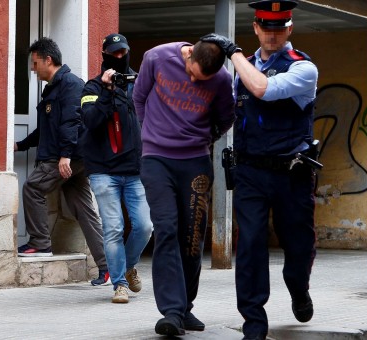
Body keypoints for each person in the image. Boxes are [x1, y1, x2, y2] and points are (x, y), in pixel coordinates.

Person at [201, 1, 320, 339]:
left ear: (289, 29)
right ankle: (253, 322)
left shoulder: (303, 68)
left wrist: (232, 52)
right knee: (251, 243)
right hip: (251, 171)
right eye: (266, 27)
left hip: (292, 173)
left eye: (279, 27)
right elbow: (233, 112)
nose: (272, 34)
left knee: (298, 246)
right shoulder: (246, 66)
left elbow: (264, 89)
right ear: (256, 27)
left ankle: (298, 287)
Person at [133, 38, 236, 336]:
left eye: (201, 80)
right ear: (189, 53)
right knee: (166, 228)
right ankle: (171, 311)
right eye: (192, 73)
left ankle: (185, 307)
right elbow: (138, 98)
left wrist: (205, 138)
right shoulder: (156, 57)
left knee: (191, 238)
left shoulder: (221, 80)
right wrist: (150, 135)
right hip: (157, 160)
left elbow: (226, 117)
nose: (193, 80)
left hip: (195, 163)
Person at [15, 37, 109, 286]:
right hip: (73, 158)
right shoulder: (54, 87)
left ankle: (40, 243)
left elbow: (72, 122)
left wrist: (65, 155)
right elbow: (47, 128)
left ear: (49, 60)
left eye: (35, 63)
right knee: (85, 212)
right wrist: (20, 145)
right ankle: (107, 267)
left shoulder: (70, 85)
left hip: (68, 157)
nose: (33, 69)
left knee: (33, 187)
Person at [80, 33, 153, 304]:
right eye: (114, 54)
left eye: (123, 53)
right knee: (113, 228)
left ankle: (128, 266)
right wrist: (107, 91)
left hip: (136, 170)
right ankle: (119, 283)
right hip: (103, 171)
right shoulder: (91, 88)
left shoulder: (140, 84)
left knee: (145, 226)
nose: (119, 57)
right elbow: (90, 121)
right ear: (105, 56)